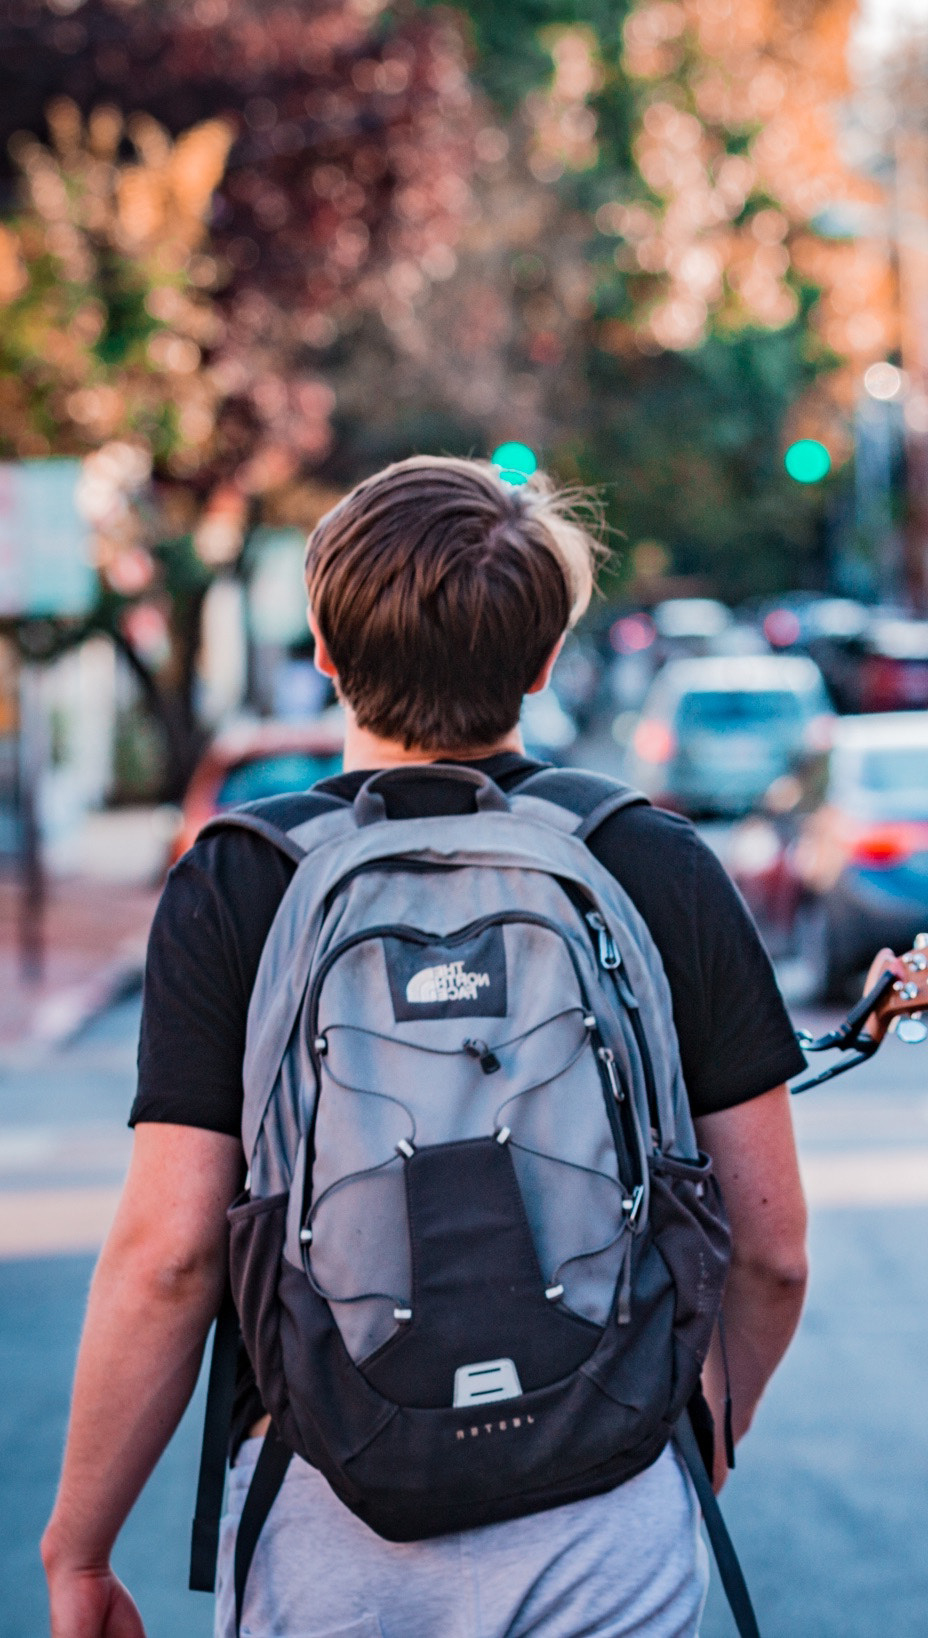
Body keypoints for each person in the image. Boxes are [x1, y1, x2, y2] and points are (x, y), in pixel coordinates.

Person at [41, 456, 811, 1638]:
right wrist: (694, 1441)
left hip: (325, 1506)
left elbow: (167, 1259)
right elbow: (769, 1255)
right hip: (600, 1511)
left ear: (326, 651)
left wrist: (80, 1550)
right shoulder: (651, 864)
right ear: (546, 659)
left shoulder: (244, 880)